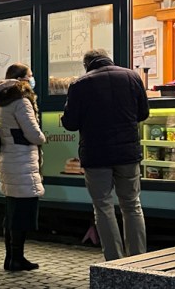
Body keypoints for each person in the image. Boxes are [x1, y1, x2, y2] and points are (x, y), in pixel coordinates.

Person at [61, 49, 150, 261]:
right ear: (108, 59)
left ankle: (114, 260)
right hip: (128, 154)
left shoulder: (80, 84)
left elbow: (70, 123)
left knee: (103, 206)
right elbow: (143, 113)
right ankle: (138, 258)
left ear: (86, 65)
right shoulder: (131, 76)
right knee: (132, 204)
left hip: (96, 154)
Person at [0, 63, 47, 271]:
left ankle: (11, 257)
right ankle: (16, 259)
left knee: (12, 212)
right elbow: (33, 133)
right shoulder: (21, 101)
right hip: (22, 162)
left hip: (9, 159)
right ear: (21, 79)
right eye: (30, 75)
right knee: (22, 213)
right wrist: (42, 138)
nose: (32, 79)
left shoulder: (3, 100)